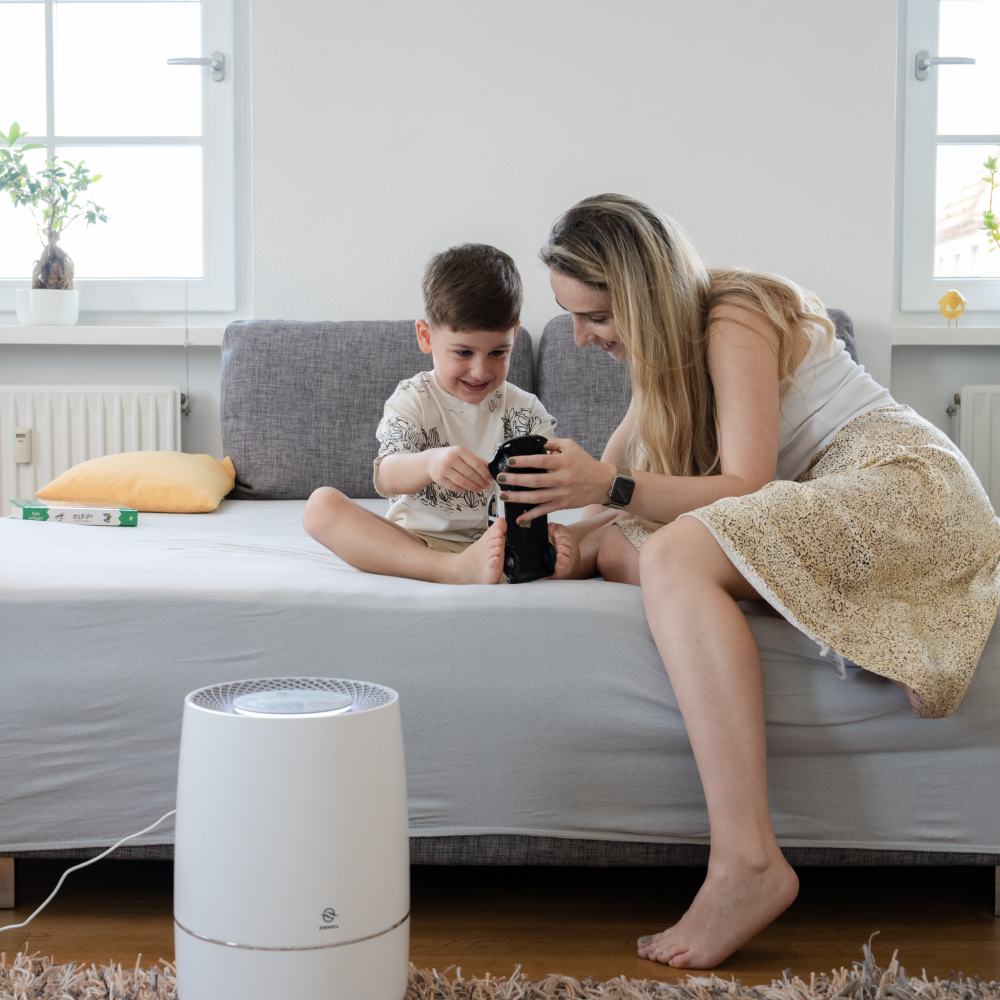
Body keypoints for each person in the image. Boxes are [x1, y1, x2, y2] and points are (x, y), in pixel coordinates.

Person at [493, 194, 1000, 968]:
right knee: (636, 548)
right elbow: (611, 489)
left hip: (904, 484)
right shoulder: (659, 368)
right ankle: (747, 857)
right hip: (827, 501)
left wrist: (610, 492)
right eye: (571, 316)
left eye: (595, 316)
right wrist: (560, 533)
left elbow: (743, 484)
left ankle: (748, 861)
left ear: (641, 293)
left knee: (666, 552)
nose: (582, 338)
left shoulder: (733, 314)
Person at [303, 242, 579, 584]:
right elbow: (387, 476)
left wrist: (548, 515)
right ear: (426, 336)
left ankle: (528, 562)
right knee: (321, 507)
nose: (480, 371)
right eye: (463, 352)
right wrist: (430, 462)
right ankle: (447, 569)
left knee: (598, 528)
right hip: (418, 543)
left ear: (514, 337)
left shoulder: (525, 410)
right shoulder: (414, 398)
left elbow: (551, 485)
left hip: (502, 543)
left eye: (498, 352)